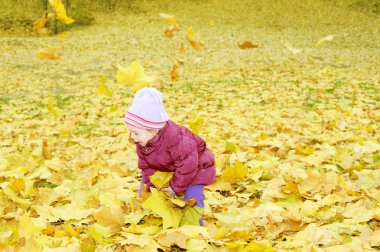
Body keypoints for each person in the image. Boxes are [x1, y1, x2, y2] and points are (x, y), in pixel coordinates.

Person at [124, 87, 216, 225]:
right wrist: (150, 188)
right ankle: (143, 214)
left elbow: (187, 168)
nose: (132, 137)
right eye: (131, 132)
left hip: (197, 167)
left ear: (153, 130)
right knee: (144, 185)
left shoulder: (178, 141)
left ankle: (195, 225)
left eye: (136, 133)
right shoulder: (143, 142)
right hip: (170, 166)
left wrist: (174, 187)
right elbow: (146, 167)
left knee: (193, 194)